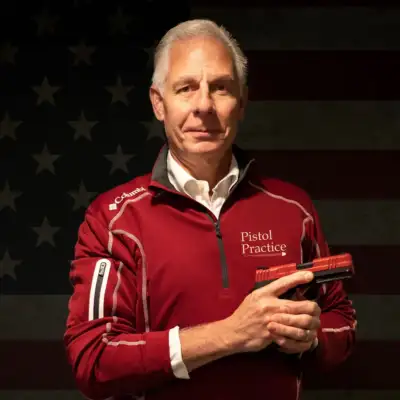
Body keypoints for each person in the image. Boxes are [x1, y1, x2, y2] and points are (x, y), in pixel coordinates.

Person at [64, 19, 356, 400]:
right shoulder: (114, 219)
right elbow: (94, 359)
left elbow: (342, 322)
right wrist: (231, 334)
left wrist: (309, 337)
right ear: (158, 103)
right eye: (186, 88)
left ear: (243, 102)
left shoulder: (292, 207)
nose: (203, 105)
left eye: (220, 88)